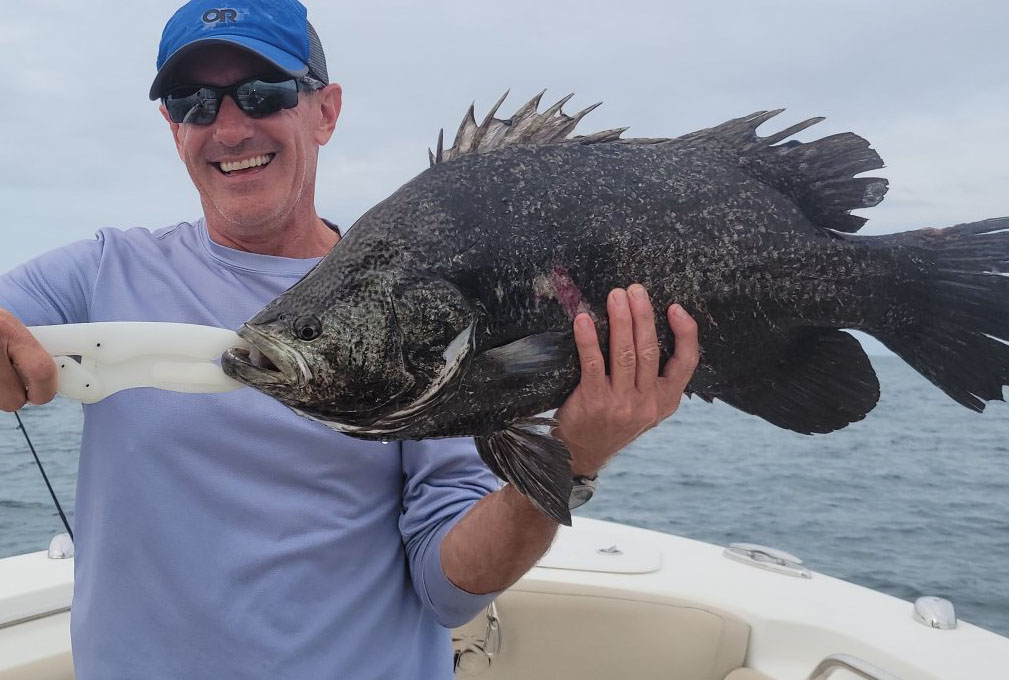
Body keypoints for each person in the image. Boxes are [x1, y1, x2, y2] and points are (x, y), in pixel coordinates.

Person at [0, 1, 699, 677]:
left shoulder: (425, 301)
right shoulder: (101, 270)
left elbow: (450, 587)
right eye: (194, 102)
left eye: (264, 92)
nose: (229, 127)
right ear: (171, 124)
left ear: (325, 110)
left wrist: (573, 456)